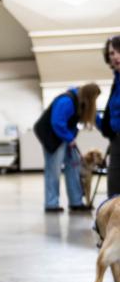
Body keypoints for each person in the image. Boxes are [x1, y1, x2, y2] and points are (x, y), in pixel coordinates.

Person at [34, 83, 99, 212]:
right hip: (51, 135)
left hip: (64, 135)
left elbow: (95, 118)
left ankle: (76, 202)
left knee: (74, 166)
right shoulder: (67, 100)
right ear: (88, 96)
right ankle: (51, 204)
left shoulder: (81, 102)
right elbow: (57, 122)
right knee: (53, 170)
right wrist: (69, 138)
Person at [99, 36, 120, 196]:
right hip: (116, 139)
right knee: (114, 189)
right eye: (112, 53)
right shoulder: (116, 80)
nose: (115, 56)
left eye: (118, 51)